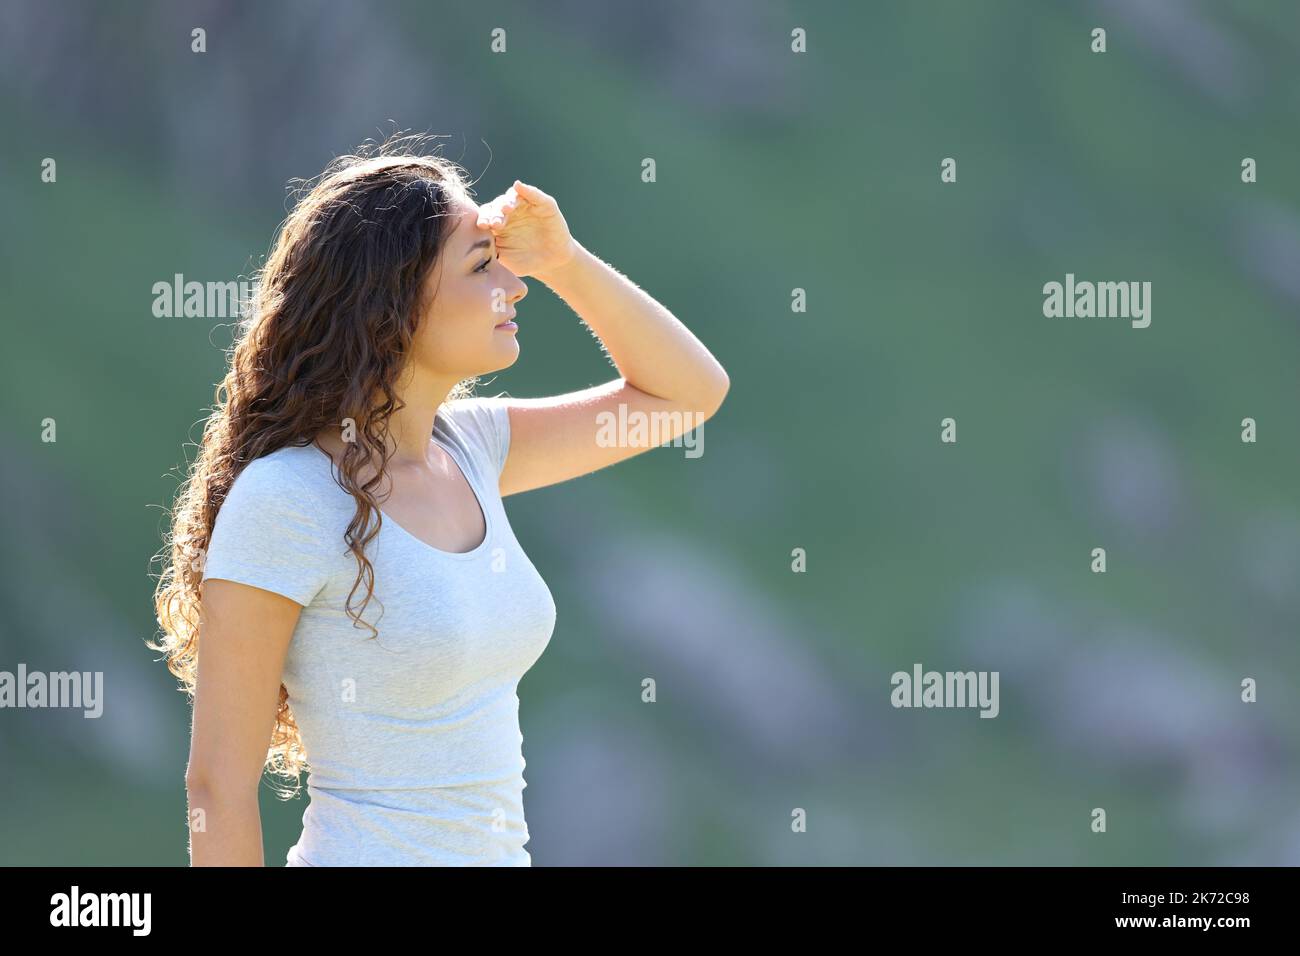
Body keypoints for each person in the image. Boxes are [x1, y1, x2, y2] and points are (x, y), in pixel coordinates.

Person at [149, 136, 729, 866]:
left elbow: (688, 394)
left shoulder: (475, 451)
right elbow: (216, 788)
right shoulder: (288, 498)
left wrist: (565, 262)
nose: (513, 287)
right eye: (483, 267)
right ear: (391, 300)